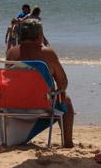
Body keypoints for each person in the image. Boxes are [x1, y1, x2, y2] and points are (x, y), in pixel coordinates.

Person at [6, 19, 74, 148]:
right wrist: (57, 90)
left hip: (13, 105)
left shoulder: (12, 53)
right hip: (40, 106)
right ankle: (68, 143)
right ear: (39, 36)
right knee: (67, 101)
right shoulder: (47, 53)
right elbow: (63, 83)